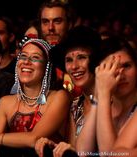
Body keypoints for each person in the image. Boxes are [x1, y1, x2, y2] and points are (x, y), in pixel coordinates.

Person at [0, 37, 70, 157]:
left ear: (46, 66)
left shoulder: (59, 97)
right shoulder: (5, 102)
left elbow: (34, 138)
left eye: (35, 57)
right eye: (23, 56)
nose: (26, 62)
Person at [34, 26, 102, 157]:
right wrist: (54, 145)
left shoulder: (114, 101)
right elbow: (73, 150)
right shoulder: (75, 105)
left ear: (96, 60)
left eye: (81, 57)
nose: (74, 66)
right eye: (69, 60)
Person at [95, 36, 137, 156]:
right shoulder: (96, 105)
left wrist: (104, 93)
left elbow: (109, 155)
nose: (121, 74)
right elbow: (82, 150)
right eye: (111, 67)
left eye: (126, 66)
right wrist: (102, 94)